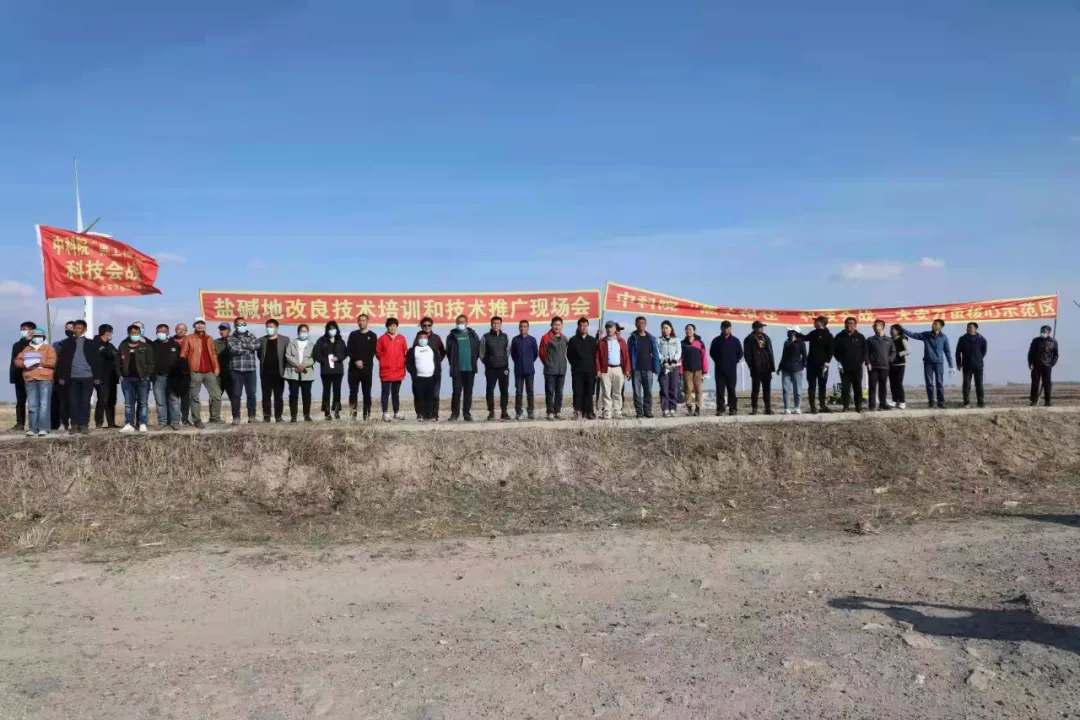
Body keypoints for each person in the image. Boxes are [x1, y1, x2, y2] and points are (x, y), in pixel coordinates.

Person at [54, 319, 107, 435]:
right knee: (73, 402)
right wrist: (61, 376)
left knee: (85, 402)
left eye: (80, 328)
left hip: (88, 377)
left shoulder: (91, 343)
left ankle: (84, 425)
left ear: (85, 329)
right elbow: (62, 362)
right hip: (72, 378)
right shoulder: (67, 343)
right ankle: (74, 424)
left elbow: (97, 362)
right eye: (75, 328)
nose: (77, 330)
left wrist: (97, 377)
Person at [181, 318, 222, 429]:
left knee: (216, 395)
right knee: (194, 396)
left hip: (209, 371)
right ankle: (197, 420)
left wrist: (216, 367)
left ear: (205, 325)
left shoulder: (209, 338)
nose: (200, 325)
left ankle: (215, 417)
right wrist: (185, 369)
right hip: (195, 371)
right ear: (194, 326)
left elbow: (213, 353)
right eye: (197, 324)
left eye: (202, 323)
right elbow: (183, 353)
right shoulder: (189, 338)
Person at [14, 327, 56, 437]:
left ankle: (43, 428)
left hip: (45, 379)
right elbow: (17, 361)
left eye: (39, 336)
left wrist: (38, 362)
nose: (37, 338)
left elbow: (52, 362)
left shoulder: (49, 348)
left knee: (44, 405)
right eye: (35, 336)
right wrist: (24, 363)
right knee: (32, 405)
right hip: (30, 378)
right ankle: (32, 428)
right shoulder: (27, 349)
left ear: (43, 337)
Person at [903, 319, 953, 409]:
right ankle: (931, 403)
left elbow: (947, 351)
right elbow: (913, 335)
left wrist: (951, 365)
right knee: (929, 383)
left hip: (939, 363)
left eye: (935, 324)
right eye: (933, 323)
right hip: (928, 363)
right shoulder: (926, 335)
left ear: (941, 326)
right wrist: (902, 330)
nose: (933, 325)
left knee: (939, 383)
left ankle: (941, 403)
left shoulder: (944, 338)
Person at [116, 324, 155, 433]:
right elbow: (117, 362)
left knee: (143, 402)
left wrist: (148, 375)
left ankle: (142, 423)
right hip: (127, 379)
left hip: (142, 379)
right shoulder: (123, 346)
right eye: (133, 333)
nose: (135, 335)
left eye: (137, 333)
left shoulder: (146, 347)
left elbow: (151, 363)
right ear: (129, 334)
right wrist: (120, 375)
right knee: (129, 403)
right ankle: (129, 424)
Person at [794, 316, 834, 414]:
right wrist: (795, 332)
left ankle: (822, 406)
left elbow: (831, 350)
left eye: (816, 321)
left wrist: (827, 361)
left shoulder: (829, 335)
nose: (814, 322)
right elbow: (804, 338)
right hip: (811, 364)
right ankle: (813, 407)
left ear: (821, 323)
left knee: (822, 386)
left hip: (823, 365)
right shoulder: (813, 333)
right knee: (812, 386)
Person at [446, 314, 480, 421]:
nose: (460, 323)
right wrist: (453, 364)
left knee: (468, 392)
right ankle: (454, 414)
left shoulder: (473, 335)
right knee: (456, 392)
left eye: (462, 322)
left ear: (466, 323)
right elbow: (449, 353)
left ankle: (467, 414)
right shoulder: (451, 336)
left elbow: (477, 351)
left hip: (470, 369)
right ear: (456, 323)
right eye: (458, 322)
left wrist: (472, 362)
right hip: (457, 369)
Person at [226, 317, 260, 423]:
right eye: (239, 325)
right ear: (235, 326)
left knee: (251, 394)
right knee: (236, 394)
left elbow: (257, 345)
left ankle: (252, 416)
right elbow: (234, 349)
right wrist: (249, 348)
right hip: (237, 370)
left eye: (243, 324)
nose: (242, 326)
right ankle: (236, 417)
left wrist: (243, 345)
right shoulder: (231, 338)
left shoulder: (252, 336)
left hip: (250, 369)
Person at [595, 320, 631, 419]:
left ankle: (617, 411)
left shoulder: (621, 341)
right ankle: (607, 411)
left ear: (615, 329)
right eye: (607, 327)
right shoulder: (601, 342)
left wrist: (627, 369)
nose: (609, 329)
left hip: (618, 369)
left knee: (617, 392)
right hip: (605, 369)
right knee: (606, 392)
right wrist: (598, 369)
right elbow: (597, 357)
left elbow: (626, 356)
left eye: (611, 327)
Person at [346, 314, 378, 421]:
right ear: (357, 322)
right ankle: (353, 415)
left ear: (367, 322)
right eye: (360, 320)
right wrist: (356, 360)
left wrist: (363, 362)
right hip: (353, 369)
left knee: (367, 392)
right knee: (353, 392)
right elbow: (349, 350)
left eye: (364, 320)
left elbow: (373, 352)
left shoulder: (372, 336)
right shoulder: (353, 334)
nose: (361, 322)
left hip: (367, 368)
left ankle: (366, 415)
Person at [412, 317, 445, 420]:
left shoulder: (437, 338)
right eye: (424, 325)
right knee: (420, 394)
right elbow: (412, 354)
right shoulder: (418, 338)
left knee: (435, 394)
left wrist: (436, 363)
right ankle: (421, 414)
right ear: (421, 327)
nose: (427, 327)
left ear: (431, 326)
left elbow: (443, 352)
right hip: (420, 374)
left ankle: (434, 415)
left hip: (434, 373)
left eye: (429, 325)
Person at [375, 317, 408, 421]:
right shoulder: (382, 339)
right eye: (390, 326)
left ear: (397, 327)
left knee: (395, 393)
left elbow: (405, 352)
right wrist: (385, 361)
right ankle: (385, 413)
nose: (392, 328)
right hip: (386, 370)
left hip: (398, 370)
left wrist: (400, 362)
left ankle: (396, 413)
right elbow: (378, 353)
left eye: (394, 326)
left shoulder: (401, 338)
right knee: (385, 392)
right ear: (387, 327)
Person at [313, 320, 348, 419]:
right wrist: (324, 361)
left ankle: (337, 411)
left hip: (338, 370)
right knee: (326, 391)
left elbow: (345, 353)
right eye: (330, 329)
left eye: (333, 329)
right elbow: (316, 353)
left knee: (337, 391)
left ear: (336, 329)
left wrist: (338, 358)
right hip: (326, 371)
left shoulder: (340, 341)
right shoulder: (321, 341)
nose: (332, 331)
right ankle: (327, 412)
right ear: (327, 330)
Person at [832, 317, 867, 413]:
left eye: (851, 323)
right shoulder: (839, 337)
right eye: (847, 323)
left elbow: (865, 351)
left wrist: (861, 361)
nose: (849, 325)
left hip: (857, 367)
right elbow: (834, 350)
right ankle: (846, 406)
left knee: (857, 387)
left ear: (855, 325)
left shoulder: (860, 337)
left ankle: (858, 406)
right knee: (845, 388)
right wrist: (839, 360)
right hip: (844, 367)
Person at [627, 316, 660, 419]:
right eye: (639, 323)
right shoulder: (632, 338)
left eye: (642, 323)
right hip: (636, 369)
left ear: (645, 324)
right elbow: (628, 355)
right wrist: (628, 369)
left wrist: (656, 368)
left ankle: (648, 411)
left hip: (648, 369)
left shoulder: (651, 338)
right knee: (637, 393)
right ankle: (639, 412)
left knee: (648, 391)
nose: (640, 324)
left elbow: (655, 354)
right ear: (635, 324)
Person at [480, 316, 512, 420]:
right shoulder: (485, 337)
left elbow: (508, 351)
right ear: (491, 324)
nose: (496, 325)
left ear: (501, 325)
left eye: (498, 323)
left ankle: (504, 412)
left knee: (504, 390)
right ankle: (491, 412)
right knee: (490, 390)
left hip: (503, 368)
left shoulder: (505, 336)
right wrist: (488, 363)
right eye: (494, 323)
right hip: (491, 369)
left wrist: (503, 360)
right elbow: (481, 353)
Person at [152, 324, 183, 430]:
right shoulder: (153, 345)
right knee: (160, 401)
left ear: (168, 333)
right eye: (159, 331)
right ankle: (162, 422)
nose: (161, 333)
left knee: (174, 400)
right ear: (156, 332)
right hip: (158, 377)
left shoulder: (175, 345)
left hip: (172, 377)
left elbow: (180, 361)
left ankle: (175, 421)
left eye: (164, 332)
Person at [257, 319, 289, 423]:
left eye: (271, 327)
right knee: (266, 396)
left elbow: (287, 355)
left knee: (278, 396)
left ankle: (278, 417)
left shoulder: (285, 340)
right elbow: (259, 355)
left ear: (277, 328)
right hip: (265, 373)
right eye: (267, 327)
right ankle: (266, 416)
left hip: (279, 373)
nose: (269, 329)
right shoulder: (261, 340)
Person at [709, 321, 743, 416]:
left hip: (731, 369)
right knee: (720, 390)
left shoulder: (735, 341)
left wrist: (734, 361)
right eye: (724, 328)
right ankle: (720, 409)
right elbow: (712, 353)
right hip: (719, 369)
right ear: (721, 328)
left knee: (731, 389)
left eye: (727, 328)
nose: (726, 330)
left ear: (730, 328)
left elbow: (740, 353)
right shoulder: (716, 340)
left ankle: (733, 408)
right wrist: (718, 361)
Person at [567, 317, 598, 420]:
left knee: (589, 392)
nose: (584, 328)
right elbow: (569, 355)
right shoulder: (573, 340)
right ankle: (577, 411)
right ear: (578, 327)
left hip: (590, 370)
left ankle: (589, 412)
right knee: (577, 392)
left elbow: (595, 355)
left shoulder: (592, 341)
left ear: (588, 327)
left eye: (585, 326)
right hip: (577, 371)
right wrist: (575, 365)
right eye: (581, 326)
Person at [539, 316, 569, 420]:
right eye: (555, 324)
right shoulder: (546, 337)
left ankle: (558, 411)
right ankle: (550, 412)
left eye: (559, 325)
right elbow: (541, 353)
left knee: (559, 392)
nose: (557, 327)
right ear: (551, 325)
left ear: (562, 326)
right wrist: (548, 363)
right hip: (550, 370)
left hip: (561, 370)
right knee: (550, 391)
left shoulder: (564, 338)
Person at [284, 324, 316, 422]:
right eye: (302, 331)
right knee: (293, 395)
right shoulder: (292, 343)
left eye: (305, 331)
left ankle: (307, 416)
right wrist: (297, 364)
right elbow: (288, 355)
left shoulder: (312, 344)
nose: (304, 333)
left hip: (307, 373)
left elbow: (314, 358)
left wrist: (303, 365)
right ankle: (293, 416)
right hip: (293, 373)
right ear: (298, 332)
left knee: (306, 395)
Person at [743, 321, 776, 415]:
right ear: (754, 328)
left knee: (767, 389)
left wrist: (772, 366)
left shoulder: (766, 338)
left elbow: (770, 352)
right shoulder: (749, 339)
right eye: (760, 327)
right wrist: (751, 366)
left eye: (762, 327)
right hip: (756, 368)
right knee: (755, 389)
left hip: (766, 367)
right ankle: (754, 408)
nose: (762, 329)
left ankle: (768, 408)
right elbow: (747, 354)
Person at [406, 330, 439, 422]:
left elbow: (437, 363)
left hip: (431, 377)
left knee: (430, 397)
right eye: (420, 338)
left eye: (425, 338)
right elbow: (408, 364)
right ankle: (420, 414)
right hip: (418, 378)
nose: (423, 340)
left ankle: (429, 415)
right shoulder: (413, 350)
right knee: (419, 396)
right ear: (417, 339)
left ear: (427, 339)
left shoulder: (433, 350)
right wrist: (414, 375)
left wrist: (436, 376)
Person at [865, 319, 896, 412]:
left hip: (885, 367)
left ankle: (883, 404)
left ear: (882, 327)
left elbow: (893, 351)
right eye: (874, 325)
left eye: (877, 325)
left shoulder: (889, 340)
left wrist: (889, 359)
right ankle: (872, 405)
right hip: (873, 367)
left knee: (883, 386)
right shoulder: (870, 340)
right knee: (872, 386)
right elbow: (866, 352)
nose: (875, 327)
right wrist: (868, 363)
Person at [955, 322, 988, 409]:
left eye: (970, 327)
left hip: (978, 365)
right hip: (966, 365)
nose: (968, 329)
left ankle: (980, 402)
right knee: (966, 385)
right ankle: (966, 402)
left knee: (979, 384)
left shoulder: (981, 339)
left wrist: (978, 358)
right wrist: (958, 363)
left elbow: (983, 351)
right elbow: (958, 352)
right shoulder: (962, 339)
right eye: (967, 327)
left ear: (975, 329)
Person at [10, 321, 36, 432]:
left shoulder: (36, 344)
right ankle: (20, 424)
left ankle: (34, 424)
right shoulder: (16, 345)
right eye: (21, 329)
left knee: (33, 402)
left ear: (32, 331)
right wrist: (12, 377)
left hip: (32, 377)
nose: (22, 331)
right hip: (19, 377)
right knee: (20, 402)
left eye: (25, 329)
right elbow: (13, 362)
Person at [510, 320, 538, 420]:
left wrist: (529, 361)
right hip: (518, 370)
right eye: (521, 326)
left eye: (525, 326)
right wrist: (518, 362)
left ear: (528, 328)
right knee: (519, 392)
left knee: (530, 391)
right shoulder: (515, 340)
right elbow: (513, 354)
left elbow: (535, 354)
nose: (523, 328)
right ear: (519, 328)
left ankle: (530, 412)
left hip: (530, 370)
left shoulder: (532, 340)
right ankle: (519, 412)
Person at [93, 324, 119, 429]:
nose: (111, 335)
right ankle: (99, 423)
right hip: (101, 377)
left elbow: (117, 354)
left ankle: (111, 423)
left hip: (112, 377)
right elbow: (108, 354)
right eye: (110, 333)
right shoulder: (95, 344)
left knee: (111, 401)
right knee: (102, 400)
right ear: (107, 333)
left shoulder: (110, 345)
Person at [51, 320, 75, 432]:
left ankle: (74, 422)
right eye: (67, 328)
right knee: (63, 401)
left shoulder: (80, 343)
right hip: (62, 377)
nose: (69, 330)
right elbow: (56, 362)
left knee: (74, 401)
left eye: (71, 328)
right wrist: (56, 376)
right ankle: (63, 422)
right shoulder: (60, 344)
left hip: (76, 376)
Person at [654, 321, 681, 418]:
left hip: (674, 366)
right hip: (663, 366)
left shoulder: (676, 339)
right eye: (663, 328)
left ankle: (672, 408)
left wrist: (674, 361)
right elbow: (658, 352)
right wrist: (664, 362)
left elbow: (679, 351)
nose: (664, 330)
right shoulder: (659, 340)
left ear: (671, 329)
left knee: (673, 388)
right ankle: (665, 409)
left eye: (666, 328)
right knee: (664, 388)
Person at [681, 324, 709, 417]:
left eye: (690, 329)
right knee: (688, 389)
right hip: (687, 370)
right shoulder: (682, 343)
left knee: (698, 390)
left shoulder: (700, 342)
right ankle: (689, 408)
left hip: (698, 370)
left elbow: (704, 356)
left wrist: (705, 370)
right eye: (686, 329)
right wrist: (680, 371)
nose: (688, 331)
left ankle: (697, 409)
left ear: (694, 331)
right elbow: (680, 358)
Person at [779, 328, 807, 414]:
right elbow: (783, 355)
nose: (788, 332)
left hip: (797, 369)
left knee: (797, 390)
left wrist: (802, 366)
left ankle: (797, 407)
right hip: (786, 369)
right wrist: (780, 367)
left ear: (794, 332)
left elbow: (804, 356)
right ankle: (787, 408)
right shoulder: (786, 342)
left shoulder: (801, 343)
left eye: (790, 331)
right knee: (785, 389)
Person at [1028, 325, 1058, 407]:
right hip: (1036, 365)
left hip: (1047, 366)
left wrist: (1052, 364)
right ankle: (1033, 401)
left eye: (1044, 331)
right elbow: (1031, 353)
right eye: (1041, 331)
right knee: (1035, 383)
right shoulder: (1036, 341)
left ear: (1049, 332)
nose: (1042, 333)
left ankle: (1047, 401)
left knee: (1047, 384)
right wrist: (1030, 363)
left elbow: (1056, 355)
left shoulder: (1053, 342)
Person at [172, 323, 191, 424]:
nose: (181, 331)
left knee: (185, 397)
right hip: (173, 373)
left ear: (186, 331)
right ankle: (174, 419)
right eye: (179, 329)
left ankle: (185, 418)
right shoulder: (170, 341)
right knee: (173, 397)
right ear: (175, 330)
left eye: (183, 329)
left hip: (186, 372)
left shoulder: (189, 341)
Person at [888, 324, 910, 409]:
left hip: (900, 364)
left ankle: (902, 401)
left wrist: (898, 354)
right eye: (890, 330)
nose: (890, 331)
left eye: (892, 330)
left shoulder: (902, 339)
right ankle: (894, 400)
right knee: (892, 383)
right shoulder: (890, 340)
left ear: (898, 331)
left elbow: (908, 351)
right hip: (891, 364)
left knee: (898, 383)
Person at [215, 323, 233, 405]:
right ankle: (214, 413)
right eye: (221, 330)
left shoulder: (234, 341)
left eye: (224, 329)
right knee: (215, 396)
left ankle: (236, 413)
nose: (222, 331)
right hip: (219, 375)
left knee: (234, 397)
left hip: (231, 374)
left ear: (229, 330)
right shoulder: (215, 342)